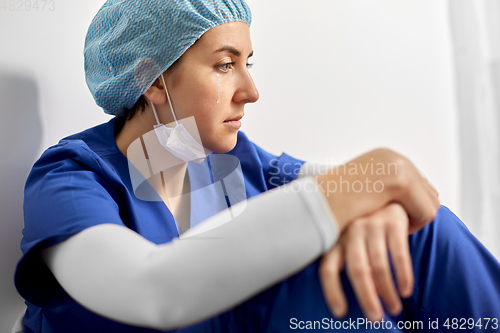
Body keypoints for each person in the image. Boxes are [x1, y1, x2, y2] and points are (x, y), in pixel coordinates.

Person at [14, 0, 500, 332]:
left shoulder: (236, 161)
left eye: (249, 63)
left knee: (417, 231)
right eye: (226, 65)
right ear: (152, 79)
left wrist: (381, 200)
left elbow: (370, 187)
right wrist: (373, 184)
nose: (250, 91)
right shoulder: (72, 179)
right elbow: (151, 290)